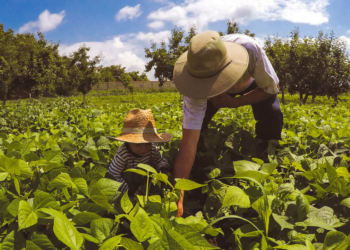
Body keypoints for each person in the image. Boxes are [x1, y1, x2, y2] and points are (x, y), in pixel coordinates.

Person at [172, 31, 283, 217]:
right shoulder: (194, 80)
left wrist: (235, 102)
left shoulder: (250, 50)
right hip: (207, 91)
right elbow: (188, 142)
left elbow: (271, 89)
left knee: (273, 114)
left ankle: (267, 155)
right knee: (197, 135)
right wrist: (178, 195)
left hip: (251, 85)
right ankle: (199, 163)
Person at [106, 108, 173, 196]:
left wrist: (162, 170)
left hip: (147, 182)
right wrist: (130, 191)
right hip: (129, 185)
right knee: (128, 176)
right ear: (129, 142)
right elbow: (113, 175)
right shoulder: (123, 153)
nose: (144, 148)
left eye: (147, 143)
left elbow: (161, 160)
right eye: (138, 144)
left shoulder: (152, 148)